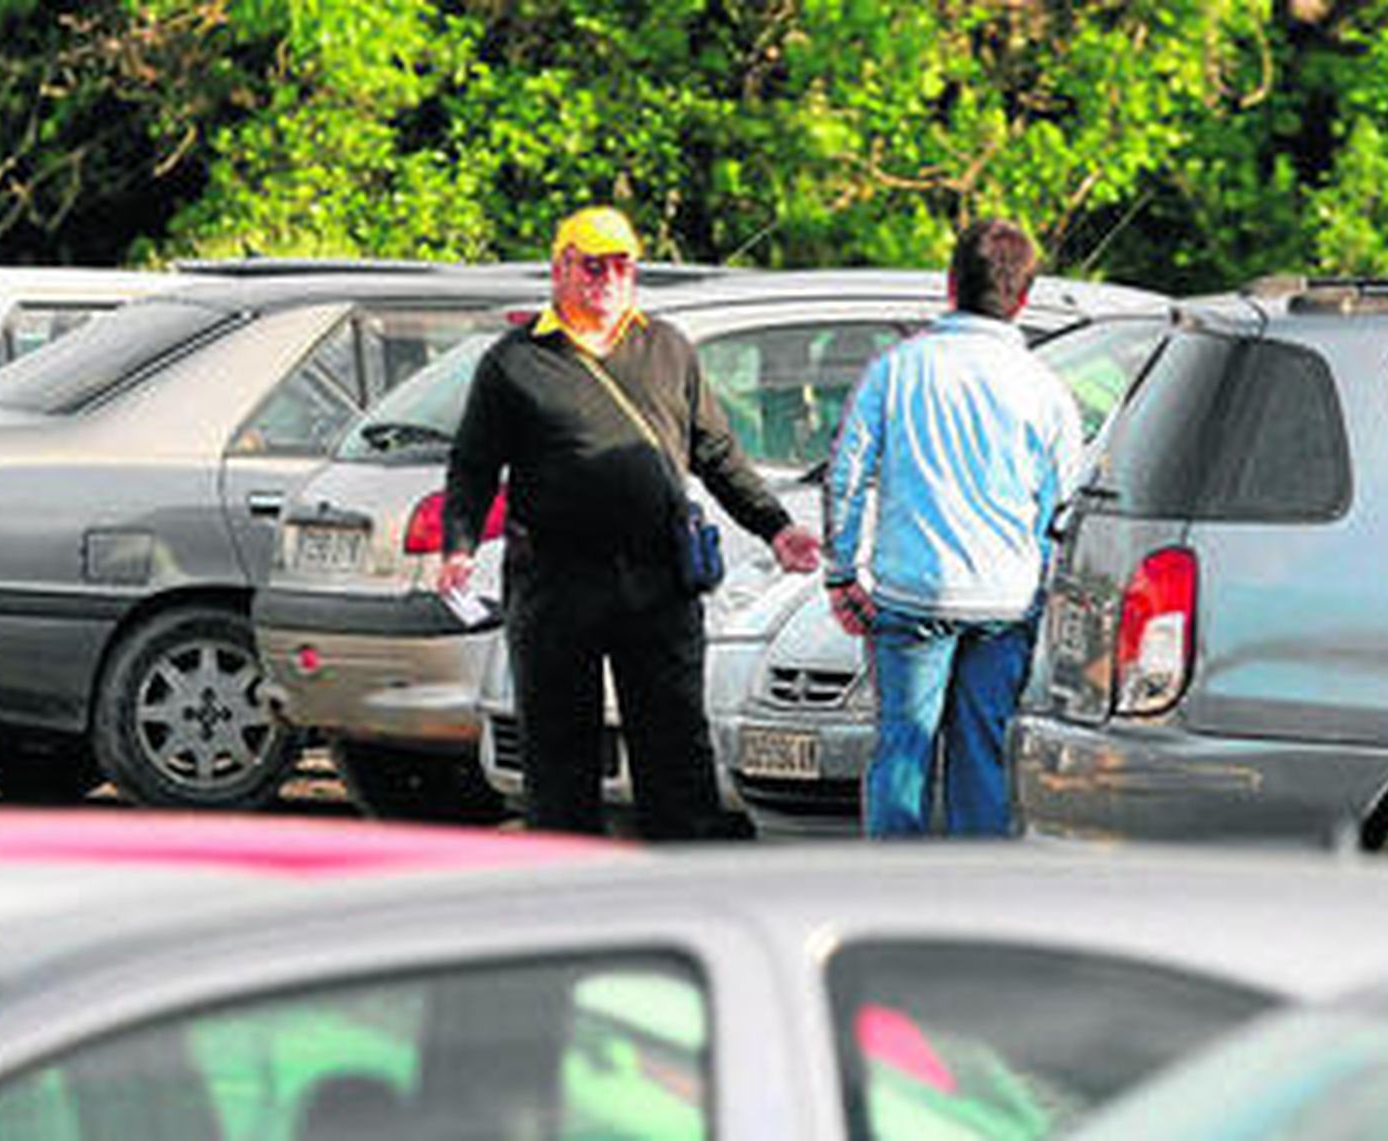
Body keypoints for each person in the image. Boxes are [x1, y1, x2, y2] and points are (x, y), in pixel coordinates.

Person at [438, 205, 820, 838]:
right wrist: (458, 544)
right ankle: (568, 884)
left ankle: (684, 877)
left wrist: (776, 527)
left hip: (657, 578)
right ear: (561, 268)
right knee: (558, 749)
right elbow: (473, 465)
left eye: (622, 264)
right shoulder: (515, 361)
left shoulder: (666, 347)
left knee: (674, 744)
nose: (609, 278)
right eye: (594, 264)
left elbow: (717, 453)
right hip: (557, 581)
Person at [822, 218, 1083, 838]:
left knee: (902, 752)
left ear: (950, 285)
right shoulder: (1046, 390)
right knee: (982, 753)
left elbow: (846, 476)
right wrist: (1044, 589)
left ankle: (893, 893)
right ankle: (974, 896)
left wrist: (841, 573)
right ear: (1023, 297)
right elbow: (1062, 508)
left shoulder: (896, 370)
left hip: (914, 593)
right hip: (1005, 600)